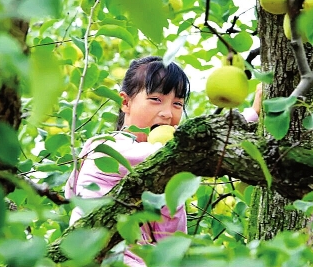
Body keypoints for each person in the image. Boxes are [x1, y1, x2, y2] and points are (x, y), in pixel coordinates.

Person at [64, 56, 262, 266]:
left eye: (177, 104)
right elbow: (191, 150)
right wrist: (250, 116)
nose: (168, 113)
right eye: (156, 99)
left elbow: (170, 239)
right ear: (125, 102)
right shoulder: (108, 148)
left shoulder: (162, 173)